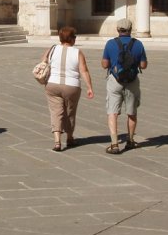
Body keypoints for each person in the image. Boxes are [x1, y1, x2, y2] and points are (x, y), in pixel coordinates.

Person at [41, 26, 94, 151]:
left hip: (52, 84)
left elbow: (43, 61)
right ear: (71, 39)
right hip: (72, 86)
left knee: (56, 112)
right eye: (74, 37)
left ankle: (57, 141)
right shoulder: (77, 52)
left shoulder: (52, 49)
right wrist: (89, 87)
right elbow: (84, 70)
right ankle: (70, 138)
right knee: (70, 112)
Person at [101, 18, 148, 154]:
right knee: (131, 112)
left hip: (115, 80)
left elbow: (104, 64)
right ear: (130, 29)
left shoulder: (110, 44)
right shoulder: (138, 44)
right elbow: (143, 65)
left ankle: (114, 144)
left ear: (118, 29)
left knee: (112, 112)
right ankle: (130, 140)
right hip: (132, 81)